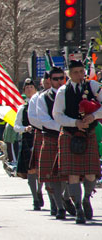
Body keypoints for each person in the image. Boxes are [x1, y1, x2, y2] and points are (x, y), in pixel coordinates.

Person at [52, 60, 101, 224]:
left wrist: (93, 116)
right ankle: (78, 208)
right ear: (69, 74)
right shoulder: (63, 91)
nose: (80, 75)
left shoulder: (93, 86)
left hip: (89, 134)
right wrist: (76, 123)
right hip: (69, 135)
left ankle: (86, 198)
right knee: (72, 175)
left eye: (81, 71)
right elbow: (57, 115)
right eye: (76, 72)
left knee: (90, 173)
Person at [36, 66, 69, 219]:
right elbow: (43, 120)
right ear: (49, 80)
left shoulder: (71, 94)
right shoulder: (44, 98)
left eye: (61, 78)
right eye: (55, 79)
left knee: (70, 175)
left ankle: (66, 199)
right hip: (52, 138)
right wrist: (64, 125)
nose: (58, 82)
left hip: (70, 138)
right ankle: (57, 204)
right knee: (52, 175)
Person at [14, 79, 43, 210]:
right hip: (28, 140)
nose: (29, 89)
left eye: (31, 87)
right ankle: (35, 197)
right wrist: (24, 129)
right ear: (24, 91)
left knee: (42, 169)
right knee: (31, 170)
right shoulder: (22, 108)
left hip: (41, 138)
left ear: (36, 89)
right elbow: (16, 126)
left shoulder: (41, 104)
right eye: (27, 88)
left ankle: (39, 190)